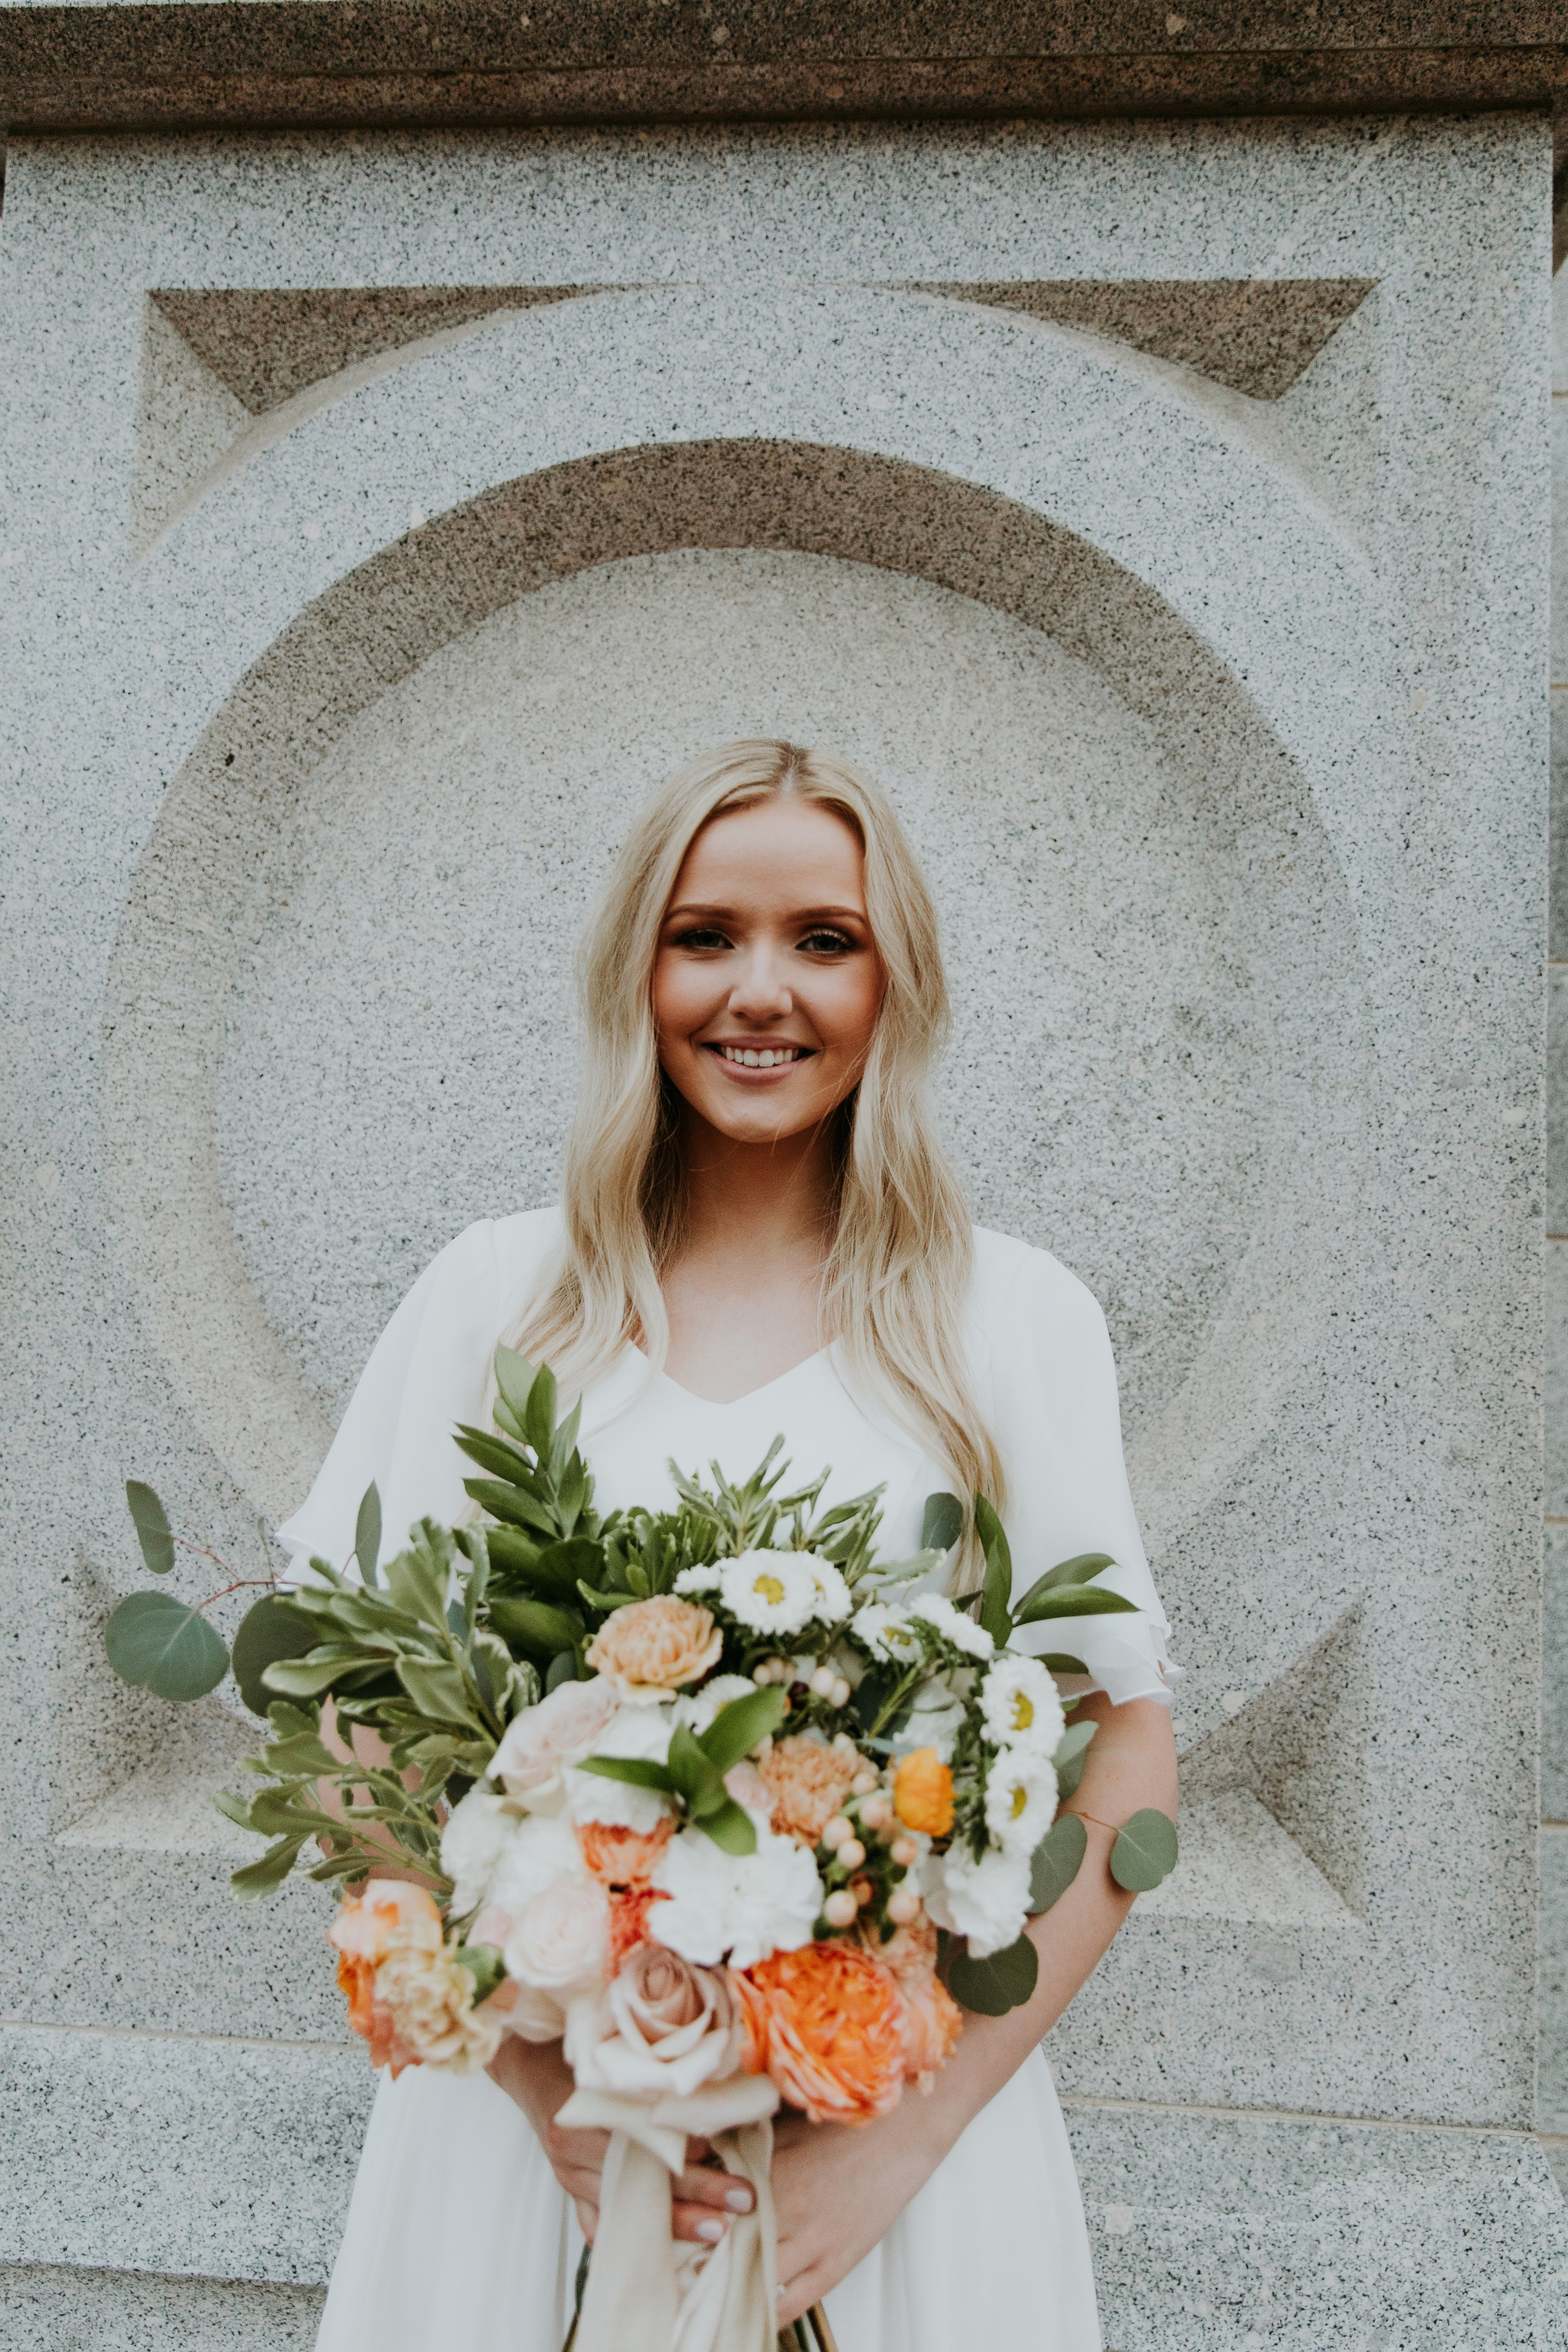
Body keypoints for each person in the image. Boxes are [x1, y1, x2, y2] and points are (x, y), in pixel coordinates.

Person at [279, 739, 1179, 2352]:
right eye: (707, 936)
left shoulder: (1012, 1320)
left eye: (822, 941)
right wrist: (543, 2087)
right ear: (638, 968)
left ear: (896, 983)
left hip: (887, 2158)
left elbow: (1127, 1771)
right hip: (523, 2155)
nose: (761, 989)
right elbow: (341, 1719)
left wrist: (891, 2156)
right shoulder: (497, 1302)